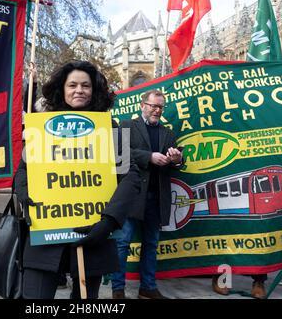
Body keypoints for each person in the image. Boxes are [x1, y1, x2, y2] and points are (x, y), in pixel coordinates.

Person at [14, 60, 128, 299]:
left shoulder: (111, 127)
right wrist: (24, 190)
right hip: (45, 237)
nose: (79, 90)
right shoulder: (43, 125)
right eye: (72, 85)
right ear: (62, 89)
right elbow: (25, 169)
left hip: (91, 237)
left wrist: (107, 222)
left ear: (94, 90)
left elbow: (130, 178)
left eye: (85, 86)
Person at [110, 89, 183, 299]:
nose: (157, 110)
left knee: (151, 245)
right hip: (131, 197)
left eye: (161, 107)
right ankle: (117, 289)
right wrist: (149, 157)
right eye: (153, 106)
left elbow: (176, 165)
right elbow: (118, 155)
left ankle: (148, 287)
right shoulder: (126, 125)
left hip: (157, 198)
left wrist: (176, 159)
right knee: (122, 243)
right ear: (142, 106)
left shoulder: (168, 133)